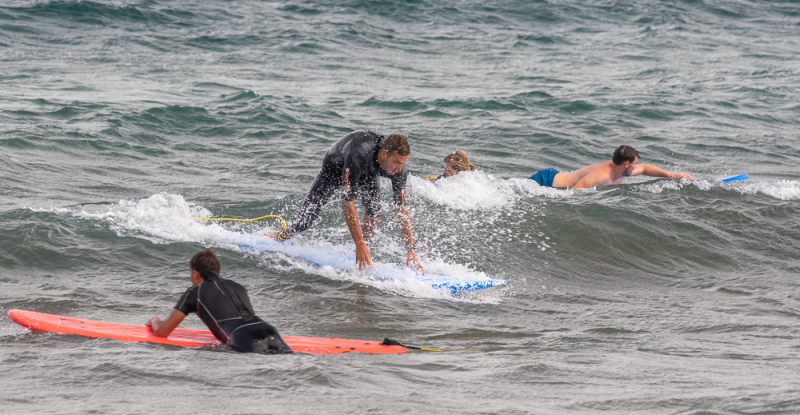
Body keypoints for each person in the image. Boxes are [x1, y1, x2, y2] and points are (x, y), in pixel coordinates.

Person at [266, 131, 424, 273]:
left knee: (374, 211)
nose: (399, 168)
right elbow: (348, 203)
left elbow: (401, 209)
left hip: (366, 172)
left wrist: (410, 248)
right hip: (333, 170)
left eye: (403, 163)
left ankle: (364, 255)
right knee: (305, 221)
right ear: (383, 154)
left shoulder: (399, 169)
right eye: (397, 162)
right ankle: (277, 237)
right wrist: (358, 243)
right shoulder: (360, 153)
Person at [147, 248, 292, 354]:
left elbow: (163, 331)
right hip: (270, 330)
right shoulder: (239, 287)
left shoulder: (195, 292)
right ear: (219, 272)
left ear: (195, 273)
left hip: (241, 337)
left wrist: (155, 320)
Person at [530, 145, 692, 189]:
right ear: (626, 163)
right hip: (547, 181)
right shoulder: (601, 175)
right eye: (634, 163)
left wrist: (672, 175)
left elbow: (645, 168)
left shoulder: (622, 170)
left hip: (553, 180)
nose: (637, 166)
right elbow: (574, 192)